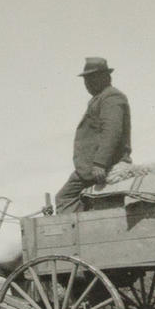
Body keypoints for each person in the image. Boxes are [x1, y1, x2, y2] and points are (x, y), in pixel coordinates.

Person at [55, 57, 132, 213]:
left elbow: (112, 131)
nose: (88, 84)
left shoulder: (111, 98)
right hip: (92, 166)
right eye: (86, 80)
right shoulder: (101, 98)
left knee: (65, 197)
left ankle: (76, 236)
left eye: (92, 79)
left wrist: (100, 163)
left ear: (105, 77)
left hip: (102, 166)